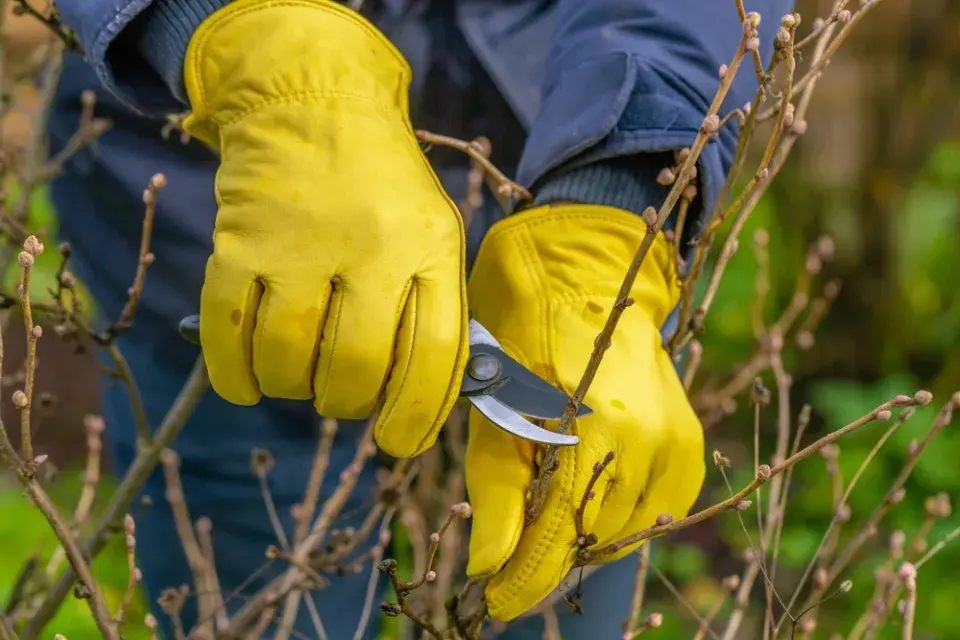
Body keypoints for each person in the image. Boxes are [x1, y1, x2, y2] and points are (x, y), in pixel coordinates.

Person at [48, 0, 789, 636]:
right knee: (259, 590)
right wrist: (241, 39)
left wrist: (614, 198)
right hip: (221, 209)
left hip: (556, 157)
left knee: (572, 535)